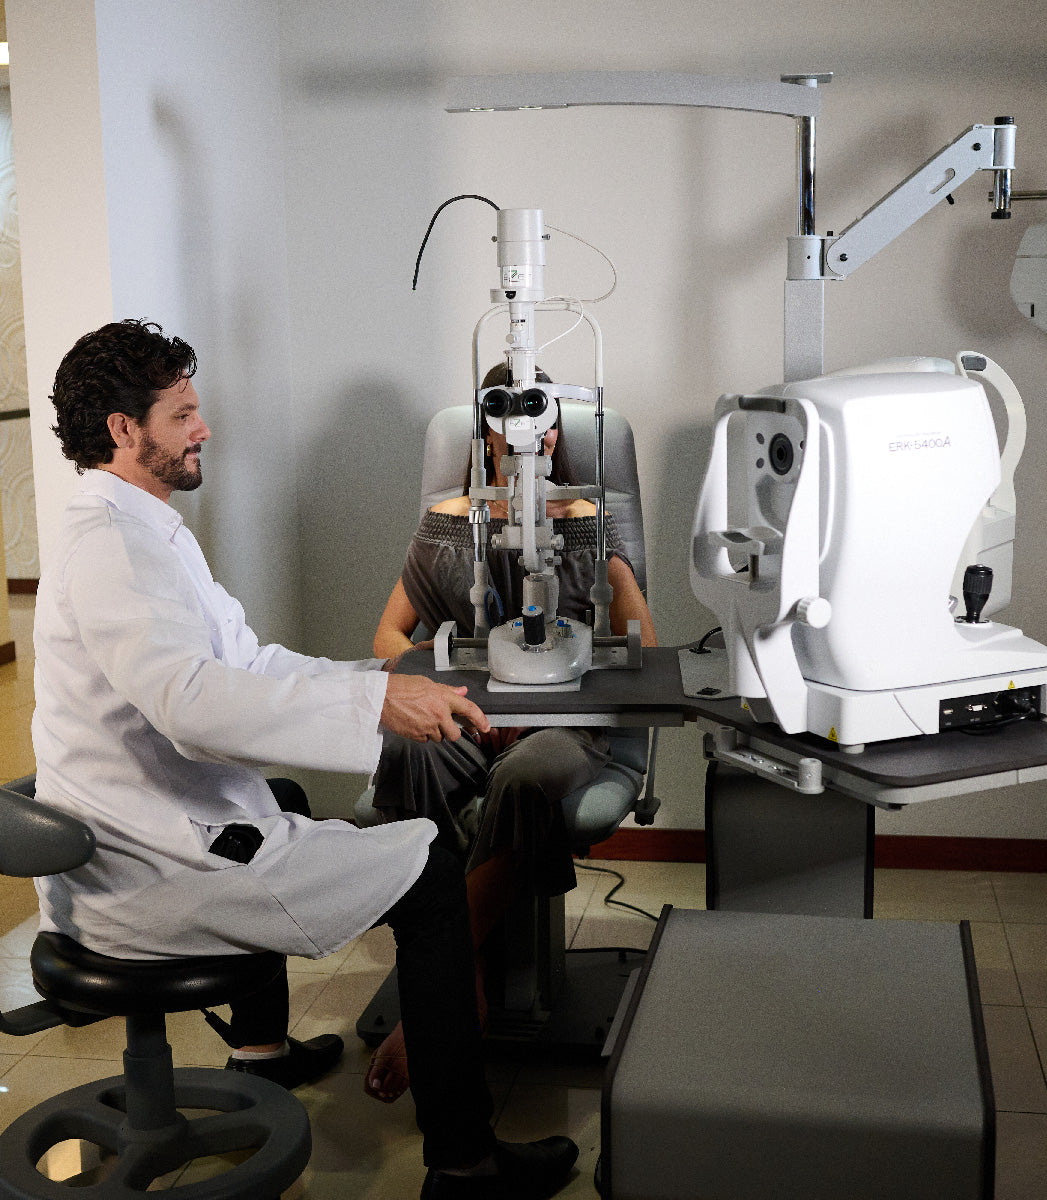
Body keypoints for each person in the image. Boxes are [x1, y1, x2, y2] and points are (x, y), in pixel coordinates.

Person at [32, 320, 578, 1200]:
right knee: (433, 876)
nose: (205, 428)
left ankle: (262, 1052)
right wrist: (376, 707)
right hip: (143, 868)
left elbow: (247, 663)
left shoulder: (145, 529)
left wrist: (383, 682)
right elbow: (192, 704)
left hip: (146, 819)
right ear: (124, 430)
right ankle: (465, 1163)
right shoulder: (113, 547)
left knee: (279, 792)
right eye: (183, 415)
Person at [364, 365, 656, 1102]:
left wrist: (603, 571)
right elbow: (388, 638)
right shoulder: (449, 523)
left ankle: (432, 998)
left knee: (529, 776)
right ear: (486, 429)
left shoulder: (587, 519)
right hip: (472, 715)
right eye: (514, 418)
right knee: (408, 749)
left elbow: (644, 651)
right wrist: (458, 693)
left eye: (545, 419)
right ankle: (460, 979)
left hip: (567, 727)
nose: (535, 435)